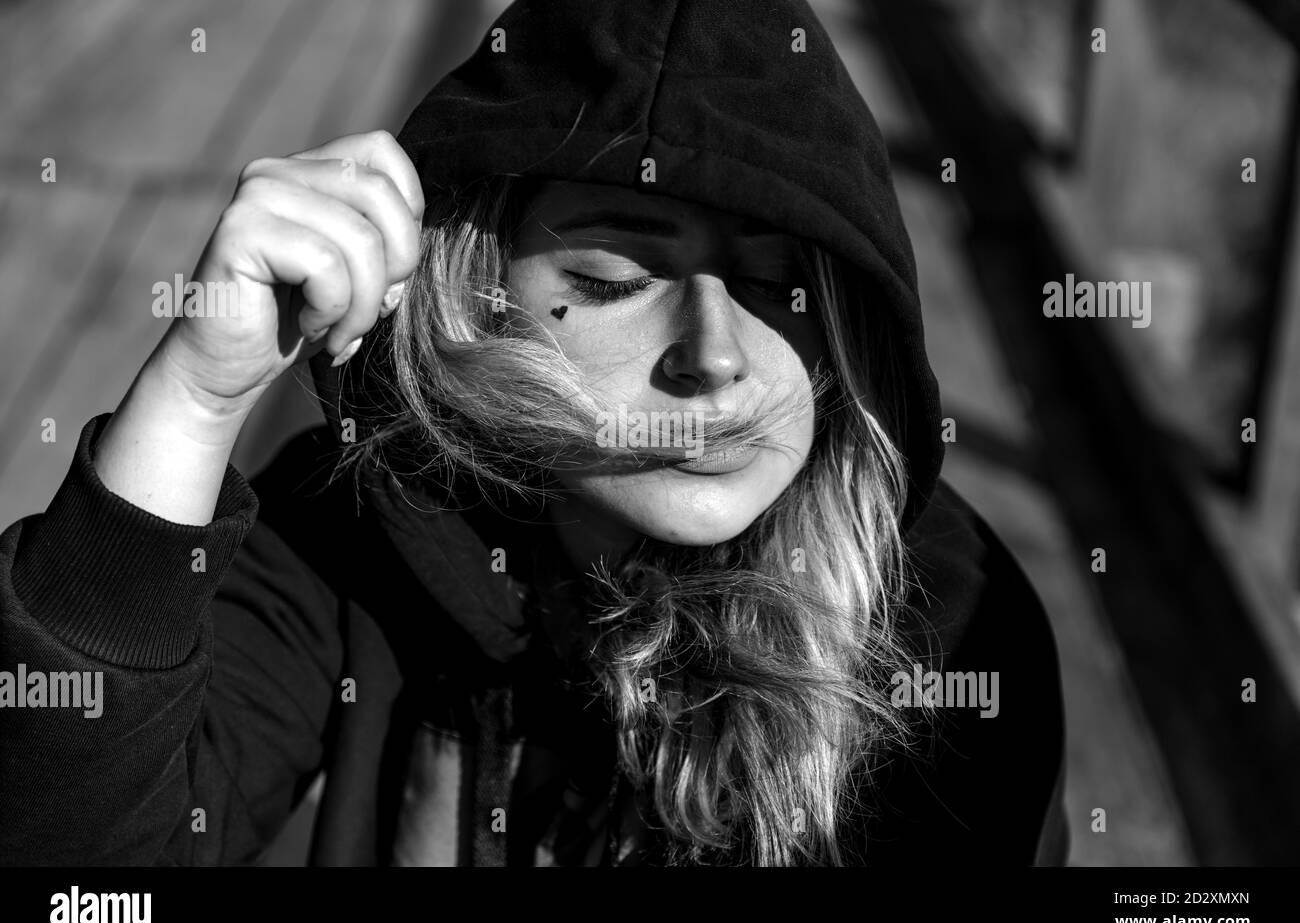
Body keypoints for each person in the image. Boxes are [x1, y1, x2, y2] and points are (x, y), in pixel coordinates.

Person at [0, 0, 1068, 867]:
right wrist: (191, 401)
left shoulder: (942, 636)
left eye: (777, 282)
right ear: (477, 290)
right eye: (613, 278)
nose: (713, 351)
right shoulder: (354, 526)